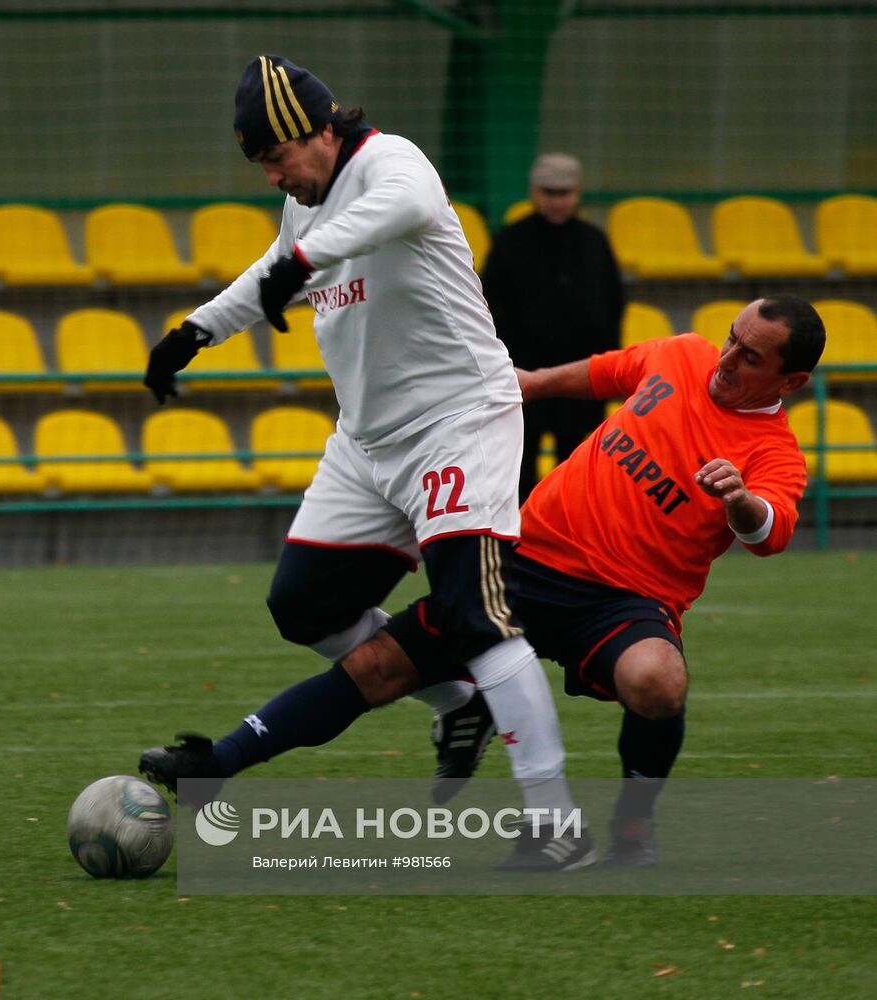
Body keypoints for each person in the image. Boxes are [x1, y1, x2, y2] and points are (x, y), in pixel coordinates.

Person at [150, 295, 824, 867]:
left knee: (658, 682)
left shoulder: (773, 454)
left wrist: (739, 501)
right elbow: (602, 372)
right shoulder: (681, 355)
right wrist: (529, 383)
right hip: (522, 562)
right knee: (377, 667)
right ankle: (216, 764)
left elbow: (772, 531)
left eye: (750, 357)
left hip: (624, 601)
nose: (727, 360)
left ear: (789, 382)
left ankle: (634, 820)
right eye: (731, 338)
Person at [139, 54, 591, 871]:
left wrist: (300, 263)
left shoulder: (391, 159)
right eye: (263, 166)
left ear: (319, 128)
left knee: (476, 620)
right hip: (365, 442)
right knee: (302, 606)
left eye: (278, 157)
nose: (275, 176)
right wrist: (195, 331)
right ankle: (458, 705)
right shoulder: (303, 199)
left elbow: (399, 210)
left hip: (457, 422)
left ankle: (557, 823)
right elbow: (273, 268)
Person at [481, 153, 625, 502]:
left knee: (578, 464)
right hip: (521, 374)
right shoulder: (510, 242)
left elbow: (613, 303)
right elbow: (490, 304)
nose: (557, 200)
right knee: (518, 463)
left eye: (564, 192)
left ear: (577, 192)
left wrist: (603, 366)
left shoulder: (595, 243)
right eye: (549, 192)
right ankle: (520, 538)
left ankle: (569, 537)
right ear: (534, 191)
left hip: (579, 378)